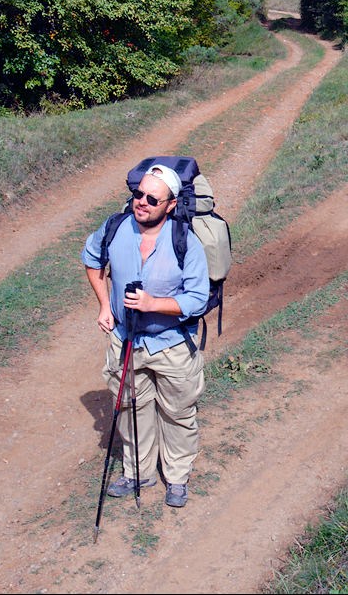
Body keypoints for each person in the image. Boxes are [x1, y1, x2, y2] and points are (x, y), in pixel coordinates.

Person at [82, 163, 209, 508]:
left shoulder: (186, 242)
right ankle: (137, 473)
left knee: (177, 412)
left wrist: (154, 304)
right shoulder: (115, 227)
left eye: (153, 199)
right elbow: (92, 260)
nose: (143, 202)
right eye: (139, 194)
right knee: (129, 409)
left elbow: (197, 299)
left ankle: (177, 478)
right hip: (126, 340)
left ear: (170, 205)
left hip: (173, 344)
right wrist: (105, 305)